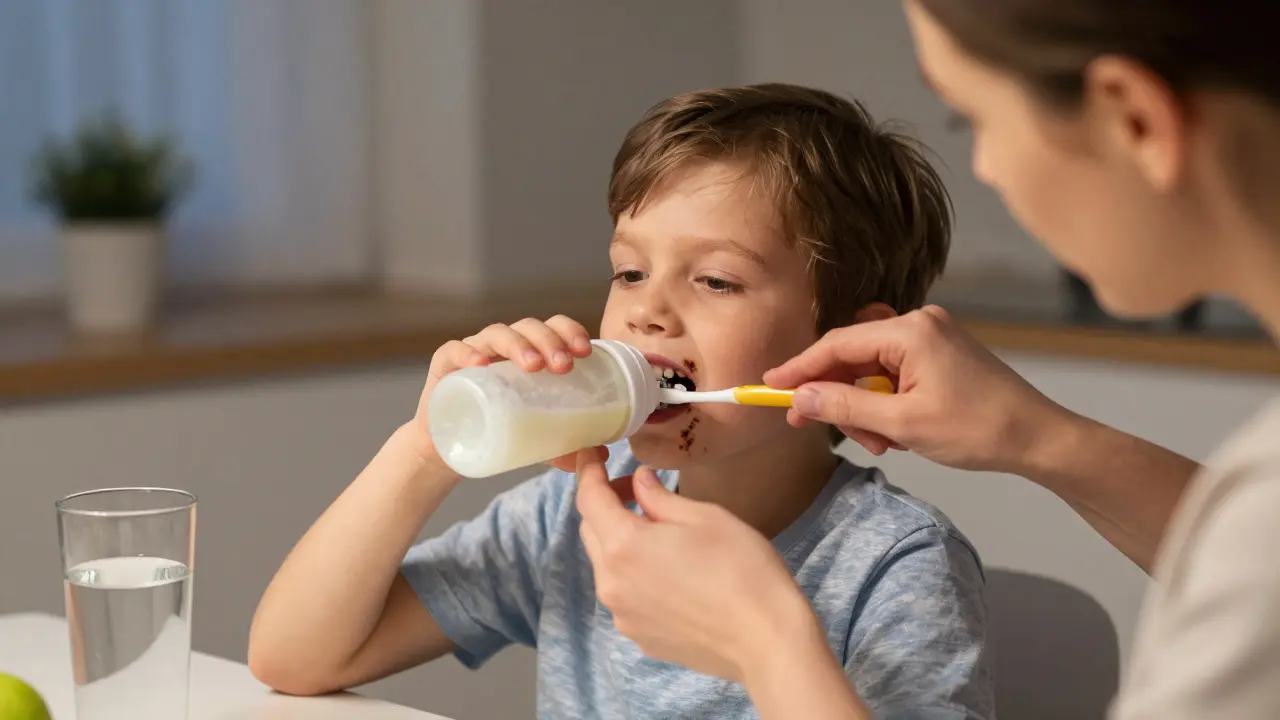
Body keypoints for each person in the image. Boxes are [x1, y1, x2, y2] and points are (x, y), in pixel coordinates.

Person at [573, 1, 1280, 718]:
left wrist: (766, 645)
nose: (986, 167)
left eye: (972, 117)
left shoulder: (898, 564)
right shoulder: (1256, 516)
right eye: (628, 272)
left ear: (1132, 119)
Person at [248, 83, 995, 718]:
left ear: (850, 349)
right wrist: (422, 452)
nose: (647, 313)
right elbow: (293, 658)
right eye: (629, 272)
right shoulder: (573, 512)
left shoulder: (895, 566)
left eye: (716, 281)